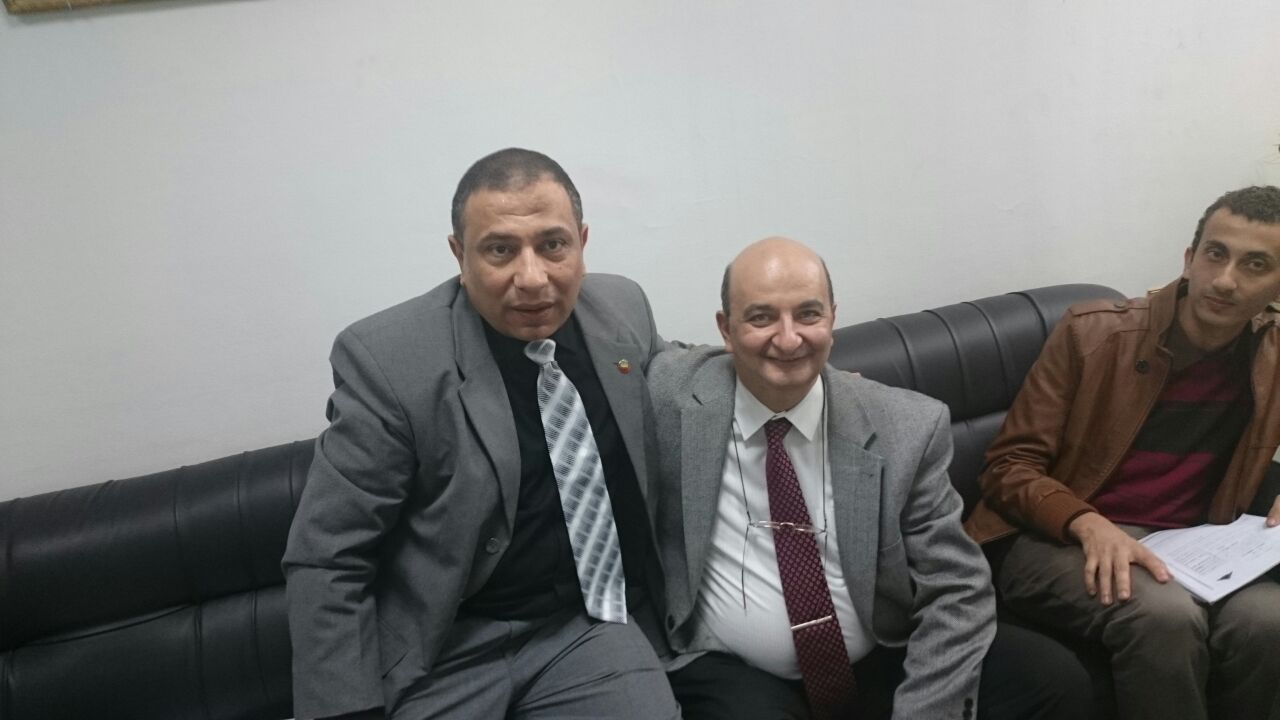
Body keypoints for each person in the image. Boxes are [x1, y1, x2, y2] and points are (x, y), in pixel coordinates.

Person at [282, 148, 679, 720]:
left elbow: (689, 378)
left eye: (553, 245)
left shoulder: (623, 308)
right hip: (443, 649)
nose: (533, 278)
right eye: (500, 250)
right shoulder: (389, 362)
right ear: (458, 255)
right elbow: (328, 555)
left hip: (584, 628)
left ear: (582, 243)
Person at [651, 237, 1093, 720]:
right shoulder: (673, 392)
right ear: (726, 329)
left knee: (1053, 678)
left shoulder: (906, 427)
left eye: (808, 314)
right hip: (738, 672)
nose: (789, 338)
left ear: (832, 319)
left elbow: (956, 586)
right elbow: (612, 323)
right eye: (761, 317)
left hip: (879, 652)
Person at [965, 185, 1280, 720]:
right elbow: (1008, 466)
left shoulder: (1270, 351)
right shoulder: (1093, 333)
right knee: (1164, 616)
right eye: (1215, 254)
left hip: (1192, 544)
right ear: (1189, 259)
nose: (1226, 280)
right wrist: (1086, 523)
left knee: (1268, 621)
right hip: (1057, 537)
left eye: (1255, 265)